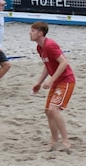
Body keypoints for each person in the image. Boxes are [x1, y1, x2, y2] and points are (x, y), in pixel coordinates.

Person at [29, 21, 76, 153]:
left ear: (40, 33)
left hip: (66, 80)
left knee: (53, 110)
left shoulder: (50, 45)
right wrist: (39, 82)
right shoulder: (40, 48)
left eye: (32, 31)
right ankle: (54, 140)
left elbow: (64, 63)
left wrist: (51, 79)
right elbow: (47, 65)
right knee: (48, 111)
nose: (30, 33)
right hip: (56, 82)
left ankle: (65, 141)